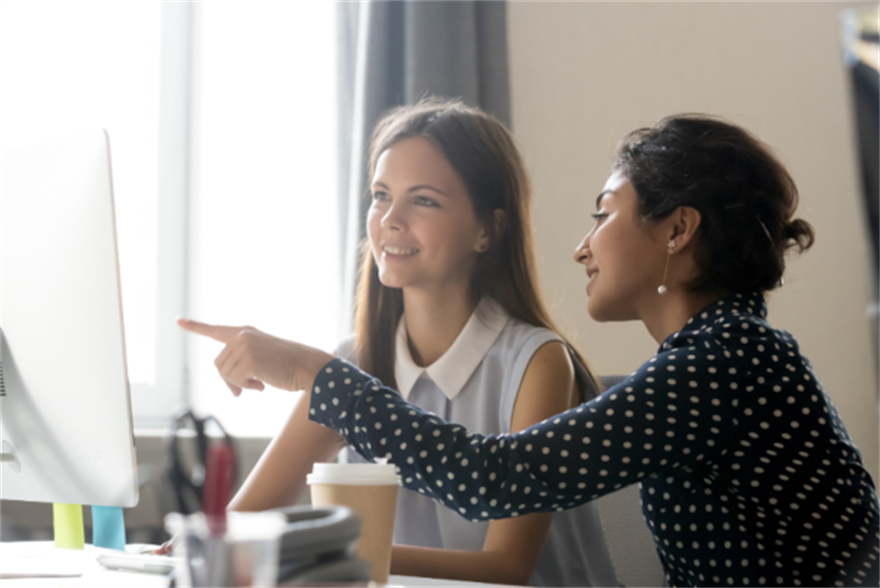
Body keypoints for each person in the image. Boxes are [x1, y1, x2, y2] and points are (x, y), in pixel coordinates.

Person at [187, 114, 880, 587]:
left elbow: (494, 479)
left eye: (604, 213)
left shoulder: (726, 363)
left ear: (678, 230)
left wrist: (318, 376)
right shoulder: (718, 357)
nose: (583, 245)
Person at [179, 99, 617, 587]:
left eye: (423, 200)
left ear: (486, 230)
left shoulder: (537, 362)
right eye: (381, 195)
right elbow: (242, 522)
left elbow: (505, 568)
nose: (390, 219)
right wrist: (184, 551)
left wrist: (328, 552)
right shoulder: (355, 363)